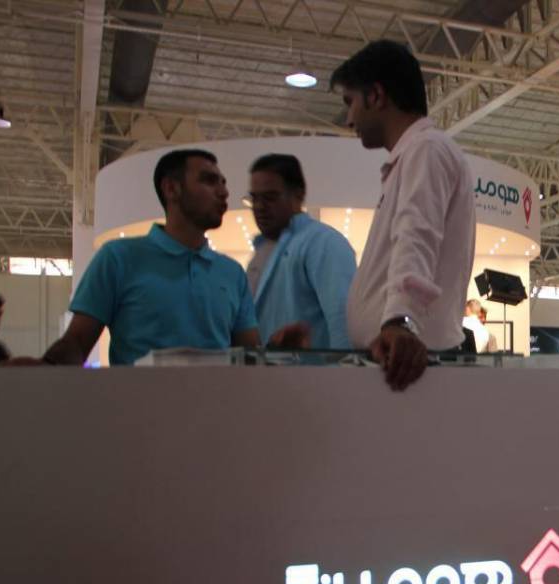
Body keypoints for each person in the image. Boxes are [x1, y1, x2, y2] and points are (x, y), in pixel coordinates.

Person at [30, 149, 305, 366]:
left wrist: (277, 350)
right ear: (171, 189)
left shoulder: (232, 273)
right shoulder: (118, 258)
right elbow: (78, 342)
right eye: (209, 180)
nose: (224, 192)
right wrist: (41, 370)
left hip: (216, 416)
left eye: (222, 183)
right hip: (138, 416)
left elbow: (248, 357)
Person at [333, 40, 476, 391]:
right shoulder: (413, 155)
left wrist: (400, 321)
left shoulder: (427, 149)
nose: (349, 119)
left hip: (409, 365)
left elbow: (417, 235)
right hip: (402, 362)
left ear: (376, 95)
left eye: (350, 102)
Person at [247, 154, 356, 349]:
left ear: (298, 195)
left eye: (270, 197)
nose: (259, 207)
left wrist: (344, 367)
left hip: (314, 369)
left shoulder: (323, 242)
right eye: (254, 198)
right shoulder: (261, 252)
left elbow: (343, 321)